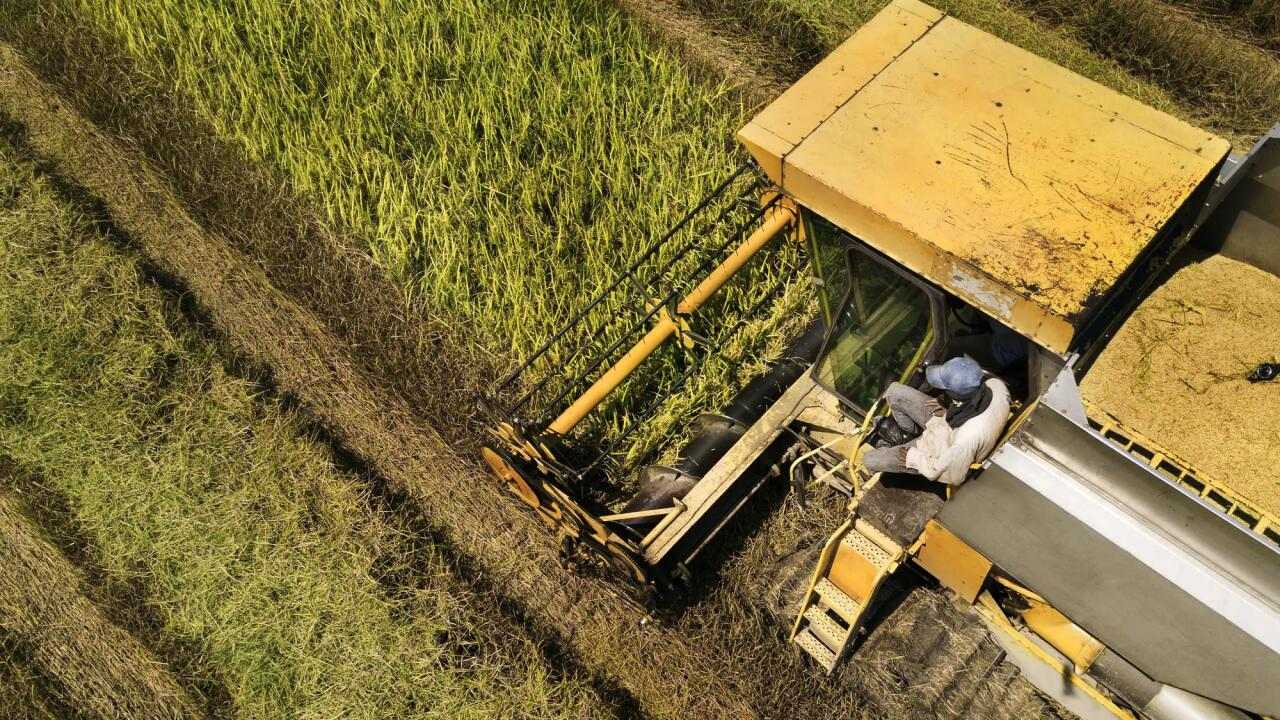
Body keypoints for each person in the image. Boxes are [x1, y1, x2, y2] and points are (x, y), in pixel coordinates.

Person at [860, 355, 1011, 486]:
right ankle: (907, 436)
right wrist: (947, 406)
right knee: (894, 392)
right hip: (948, 422)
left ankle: (906, 447)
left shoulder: (967, 438)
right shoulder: (996, 385)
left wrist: (913, 457)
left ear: (956, 395)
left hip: (940, 453)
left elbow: (954, 476)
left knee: (869, 460)